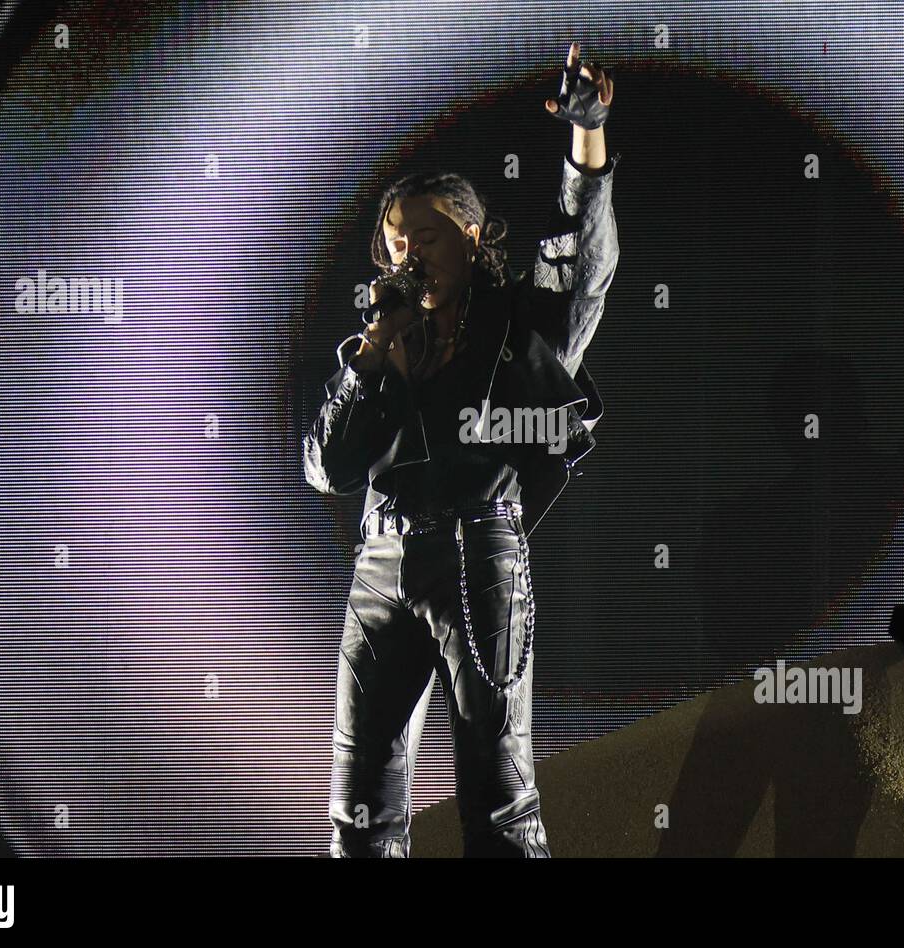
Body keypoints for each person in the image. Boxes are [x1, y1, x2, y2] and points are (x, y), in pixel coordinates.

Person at [303, 42, 619, 857]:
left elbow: (580, 260)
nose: (411, 255)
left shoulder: (517, 325)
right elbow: (326, 469)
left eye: (429, 238)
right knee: (358, 808)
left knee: (497, 795)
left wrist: (588, 142)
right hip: (379, 563)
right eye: (397, 243)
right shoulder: (380, 351)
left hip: (477, 552)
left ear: (473, 238)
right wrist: (368, 361)